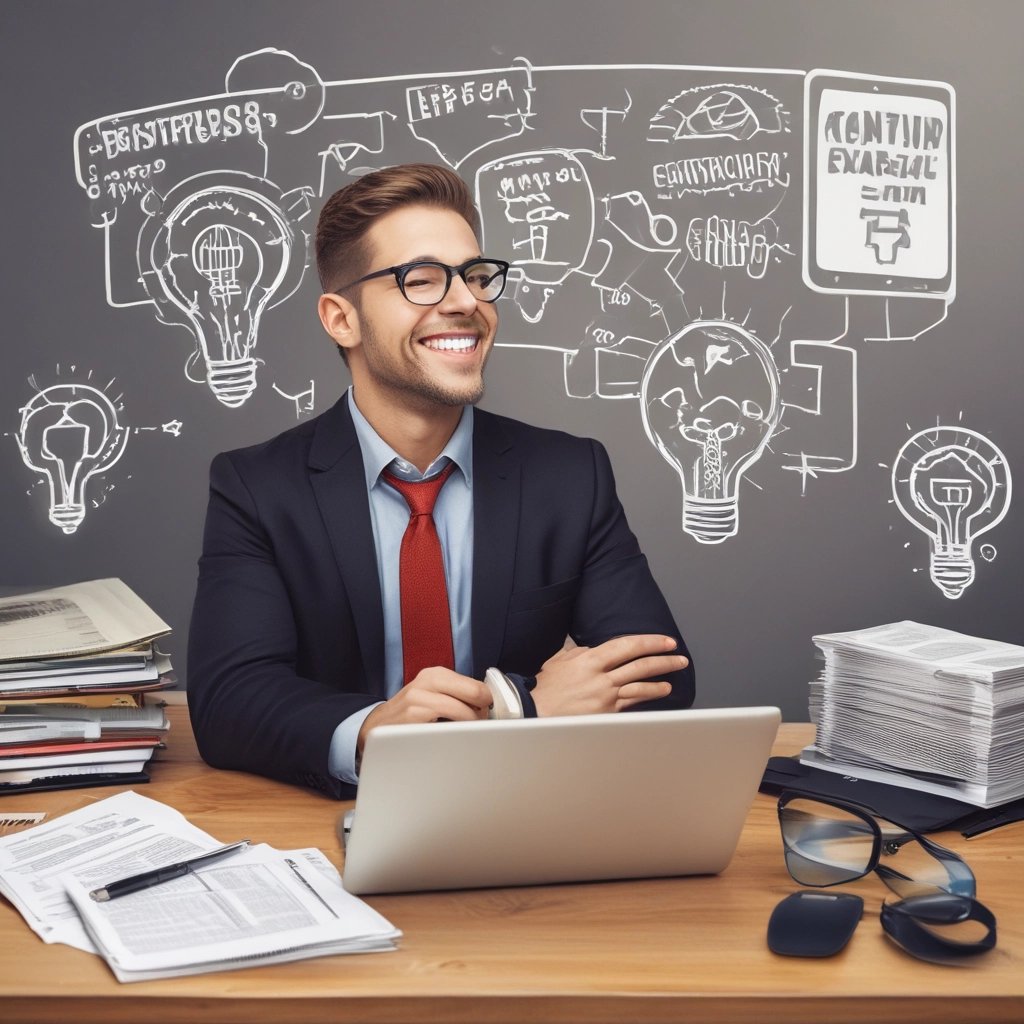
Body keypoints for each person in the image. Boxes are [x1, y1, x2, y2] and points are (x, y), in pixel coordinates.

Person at [187, 163, 694, 799]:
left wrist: (514, 716)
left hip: (521, 815)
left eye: (476, 277)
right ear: (341, 319)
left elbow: (664, 677)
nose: (465, 302)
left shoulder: (570, 475)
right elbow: (231, 703)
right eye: (420, 280)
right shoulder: (258, 487)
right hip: (334, 828)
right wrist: (378, 729)